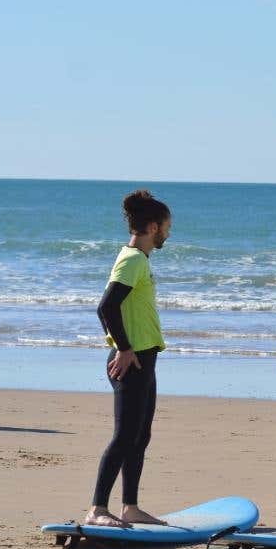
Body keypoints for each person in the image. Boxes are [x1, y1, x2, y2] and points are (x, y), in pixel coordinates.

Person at [80, 189, 171, 528]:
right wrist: (124, 347)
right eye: (166, 226)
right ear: (151, 227)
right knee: (124, 435)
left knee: (140, 435)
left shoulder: (138, 260)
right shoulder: (133, 259)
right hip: (130, 360)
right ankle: (97, 509)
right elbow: (106, 306)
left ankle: (130, 506)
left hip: (144, 358)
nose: (168, 233)